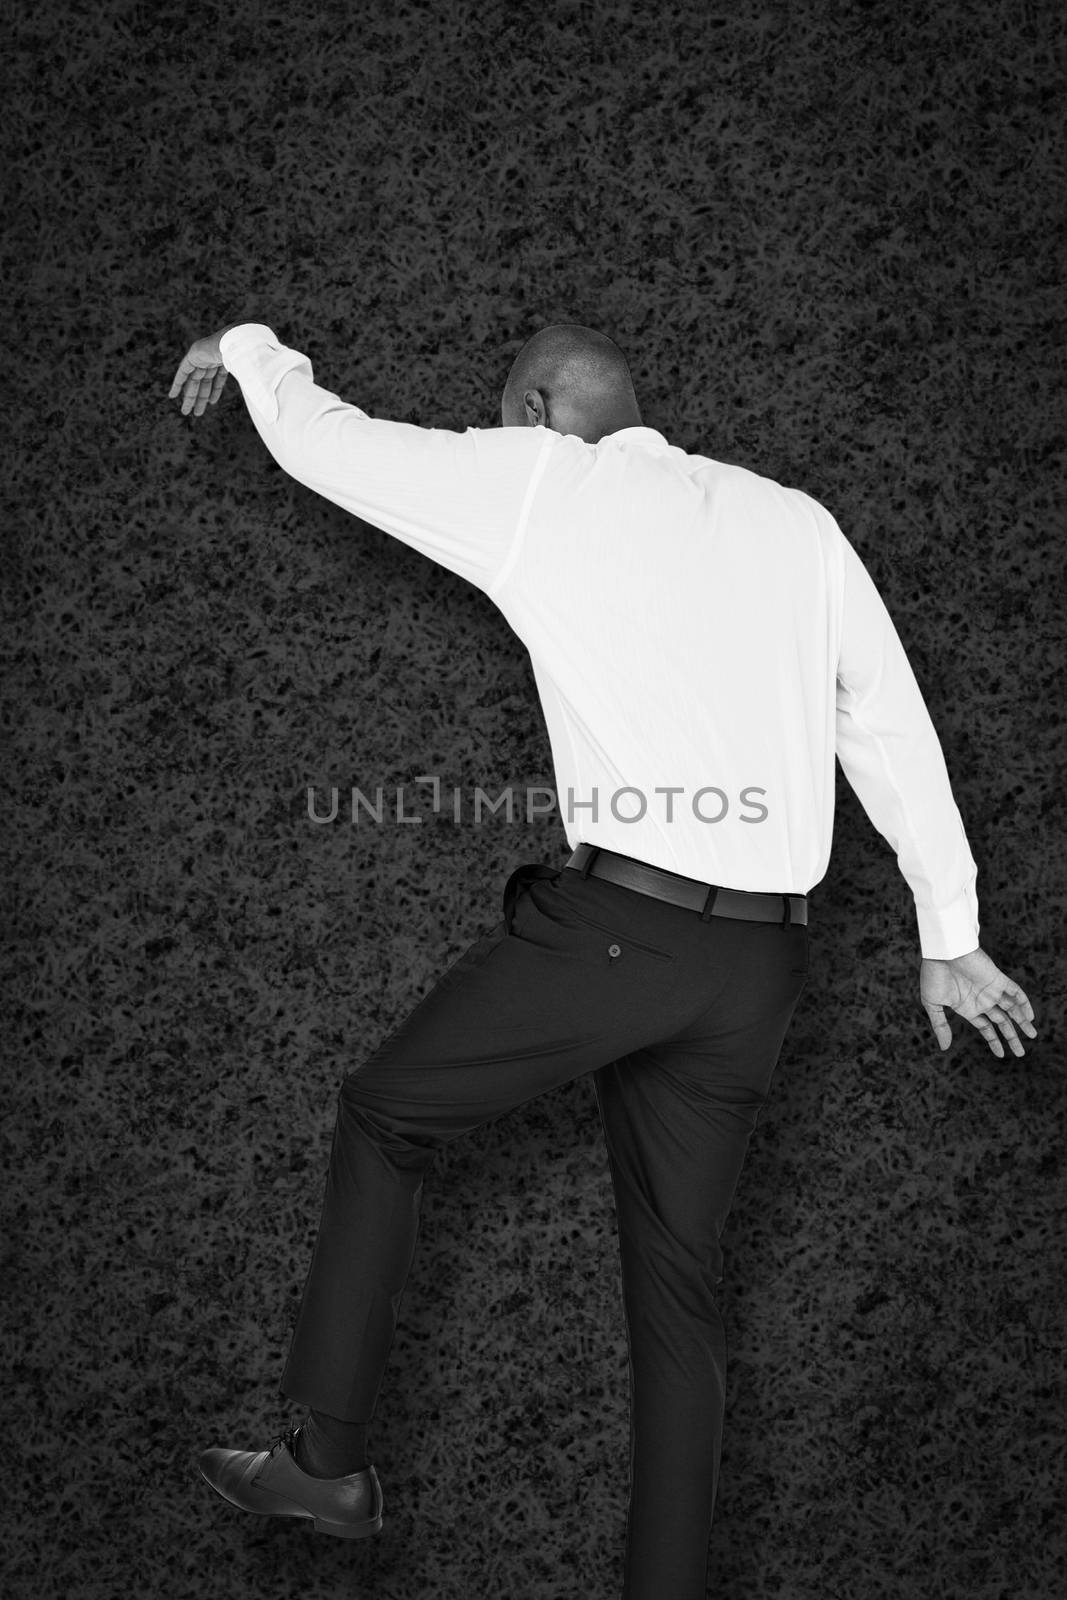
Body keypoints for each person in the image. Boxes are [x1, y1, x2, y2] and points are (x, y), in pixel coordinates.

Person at [167, 321, 1037, 1599]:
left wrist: (248, 346)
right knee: (679, 1300)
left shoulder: (538, 480)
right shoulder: (792, 520)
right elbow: (882, 716)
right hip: (759, 971)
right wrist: (946, 932)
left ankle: (325, 1462)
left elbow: (333, 448)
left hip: (619, 933)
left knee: (386, 1113)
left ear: (533, 406)